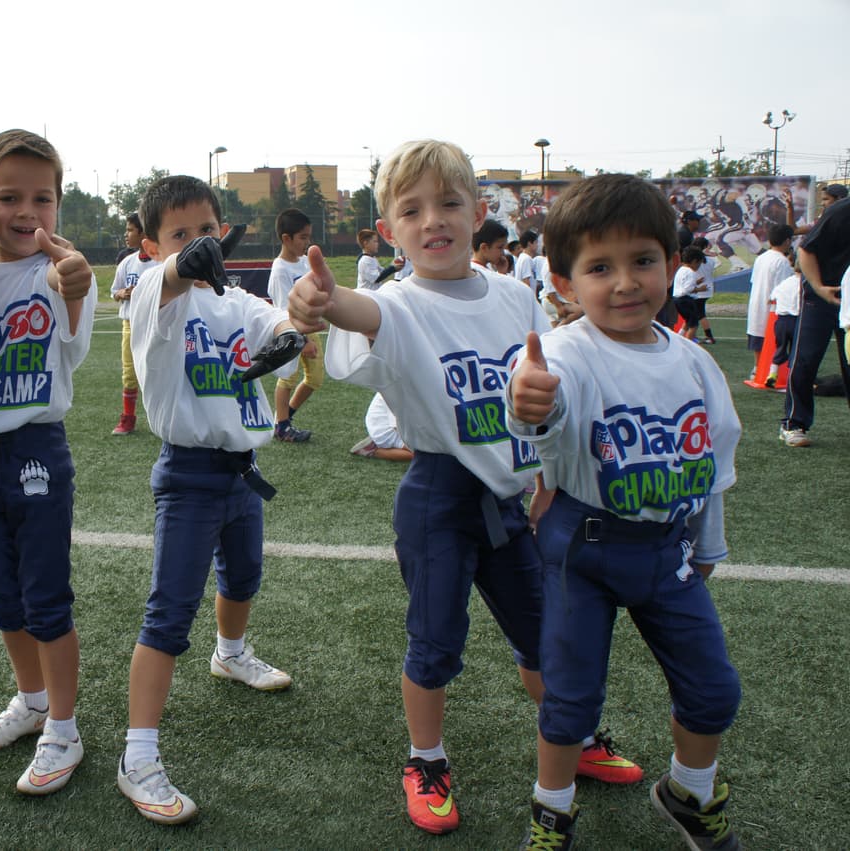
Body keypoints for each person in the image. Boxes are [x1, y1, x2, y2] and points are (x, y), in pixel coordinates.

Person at [286, 140, 639, 837]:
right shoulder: (398, 301)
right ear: (389, 231)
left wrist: (544, 476)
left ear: (478, 213)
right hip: (438, 496)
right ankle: (426, 759)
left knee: (546, 636)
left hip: (508, 499)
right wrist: (322, 299)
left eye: (449, 203)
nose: (433, 220)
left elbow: (545, 389)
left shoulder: (514, 297)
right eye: (411, 210)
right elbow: (365, 313)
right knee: (435, 641)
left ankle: (572, 732)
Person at [506, 172, 742, 851]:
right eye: (599, 267)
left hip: (668, 548)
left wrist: (708, 545)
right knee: (571, 697)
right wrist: (533, 404)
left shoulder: (696, 365)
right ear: (562, 281)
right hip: (583, 545)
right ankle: (551, 811)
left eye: (642, 260)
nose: (625, 282)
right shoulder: (567, 353)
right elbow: (545, 419)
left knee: (714, 689)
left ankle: (690, 793)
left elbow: (713, 470)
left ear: (670, 262)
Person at [118, 175, 298, 825]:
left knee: (244, 575)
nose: (198, 245)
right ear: (151, 244)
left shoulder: (233, 301)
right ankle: (137, 755)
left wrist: (288, 330)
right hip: (188, 477)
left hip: (241, 471)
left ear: (224, 233)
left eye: (206, 231)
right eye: (179, 233)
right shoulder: (151, 293)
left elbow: (272, 320)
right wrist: (177, 265)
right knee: (168, 613)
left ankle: (231, 653)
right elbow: (161, 283)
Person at [0, 129, 97, 795]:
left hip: (36, 450)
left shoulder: (62, 272)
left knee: (45, 599)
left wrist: (78, 290)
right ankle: (30, 700)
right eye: (9, 196)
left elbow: (74, 349)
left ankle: (64, 724)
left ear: (59, 205)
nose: (26, 209)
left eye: (43, 197)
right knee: (2, 595)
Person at [781, 192, 850, 447]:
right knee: (806, 359)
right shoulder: (840, 212)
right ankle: (793, 423)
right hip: (822, 294)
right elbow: (805, 251)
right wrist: (820, 288)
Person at [267, 207, 322, 443]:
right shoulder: (280, 270)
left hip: (309, 328)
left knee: (315, 379)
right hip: (289, 332)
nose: (306, 242)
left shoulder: (303, 262)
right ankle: (282, 426)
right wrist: (304, 341)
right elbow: (284, 309)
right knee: (288, 377)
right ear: (286, 239)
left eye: (308, 236)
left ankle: (284, 417)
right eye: (302, 237)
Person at [110, 213, 158, 435]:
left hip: (154, 324)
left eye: (130, 230)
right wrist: (123, 293)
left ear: (143, 233)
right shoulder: (127, 262)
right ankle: (128, 418)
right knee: (129, 372)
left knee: (157, 370)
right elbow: (114, 292)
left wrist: (142, 294)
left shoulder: (159, 263)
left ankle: (162, 416)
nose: (126, 234)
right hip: (130, 324)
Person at [746, 224, 795, 352]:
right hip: (771, 310)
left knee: (758, 343)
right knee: (772, 349)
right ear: (787, 241)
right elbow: (782, 289)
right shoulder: (782, 261)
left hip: (756, 305)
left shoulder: (761, 258)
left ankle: (756, 369)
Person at [349, 392, 412, 461]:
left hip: (398, 425)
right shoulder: (393, 391)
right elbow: (397, 426)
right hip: (386, 430)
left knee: (422, 451)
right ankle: (373, 450)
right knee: (420, 454)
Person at [769, 260, 801, 387]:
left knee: (780, 347)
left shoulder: (784, 283)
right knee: (796, 350)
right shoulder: (803, 284)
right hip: (796, 319)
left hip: (781, 320)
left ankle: (772, 374)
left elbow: (772, 297)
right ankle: (793, 378)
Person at [671, 246, 707, 339]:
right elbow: (687, 289)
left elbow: (683, 284)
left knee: (688, 321)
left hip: (676, 299)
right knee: (694, 325)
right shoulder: (691, 272)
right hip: (685, 300)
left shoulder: (681, 269)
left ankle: (679, 337)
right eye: (699, 264)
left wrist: (697, 282)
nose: (699, 267)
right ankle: (688, 344)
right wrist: (700, 289)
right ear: (694, 261)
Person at [690, 236, 718, 344]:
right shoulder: (710, 260)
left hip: (698, 290)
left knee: (699, 314)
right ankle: (698, 335)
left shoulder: (696, 260)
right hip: (707, 288)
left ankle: (708, 336)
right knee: (699, 313)